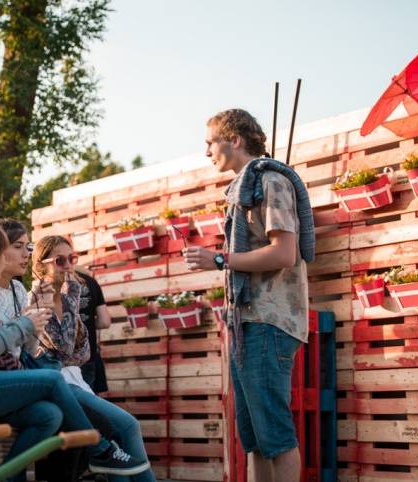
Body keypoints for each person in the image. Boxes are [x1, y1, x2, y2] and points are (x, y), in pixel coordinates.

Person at [0, 220, 147, 480]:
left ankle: (7, 475)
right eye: (11, 249)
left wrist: (32, 324)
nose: (17, 256)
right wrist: (24, 324)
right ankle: (100, 450)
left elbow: (18, 348)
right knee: (53, 380)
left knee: (49, 415)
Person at [183, 109, 314, 482]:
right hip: (247, 322)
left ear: (235, 140)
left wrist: (220, 258)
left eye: (211, 142)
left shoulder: (270, 180)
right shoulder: (245, 186)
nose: (206, 151)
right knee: (254, 439)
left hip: (268, 321)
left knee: (274, 433)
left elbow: (285, 253)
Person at [31, 235, 155, 482]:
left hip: (74, 378)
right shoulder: (36, 299)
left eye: (72, 258)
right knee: (127, 426)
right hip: (56, 383)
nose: (69, 265)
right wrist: (73, 298)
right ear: (41, 265)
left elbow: (82, 353)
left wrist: (70, 303)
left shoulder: (66, 295)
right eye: (60, 260)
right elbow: (67, 348)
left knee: (120, 434)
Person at [75, 265, 111, 394]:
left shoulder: (48, 284)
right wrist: (86, 323)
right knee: (89, 406)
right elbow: (105, 321)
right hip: (87, 354)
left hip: (60, 359)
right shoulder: (90, 282)